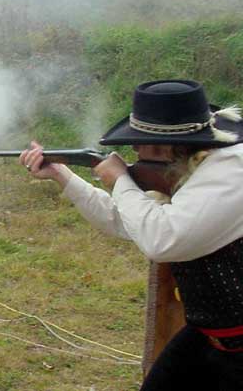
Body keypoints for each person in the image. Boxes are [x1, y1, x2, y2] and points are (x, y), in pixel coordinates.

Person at [20, 80, 243, 390]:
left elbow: (162, 239)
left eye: (141, 140)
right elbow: (124, 219)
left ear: (172, 144)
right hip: (209, 334)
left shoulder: (232, 171)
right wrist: (63, 175)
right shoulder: (188, 166)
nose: (135, 148)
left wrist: (121, 180)